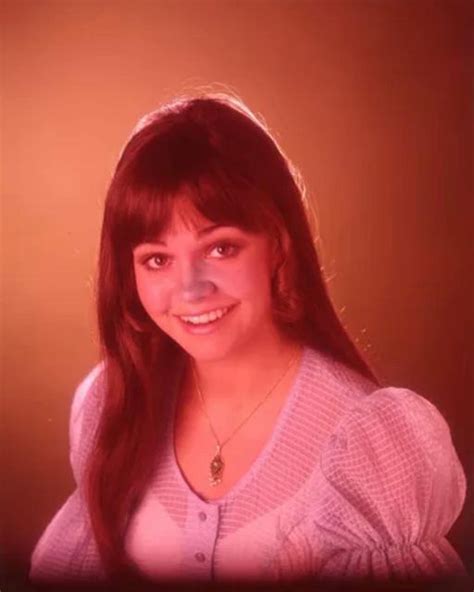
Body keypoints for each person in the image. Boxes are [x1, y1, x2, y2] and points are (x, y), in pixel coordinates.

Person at [29, 93, 467, 588]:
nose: (190, 290)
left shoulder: (368, 449)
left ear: (278, 246)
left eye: (220, 248)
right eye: (157, 259)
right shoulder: (114, 402)